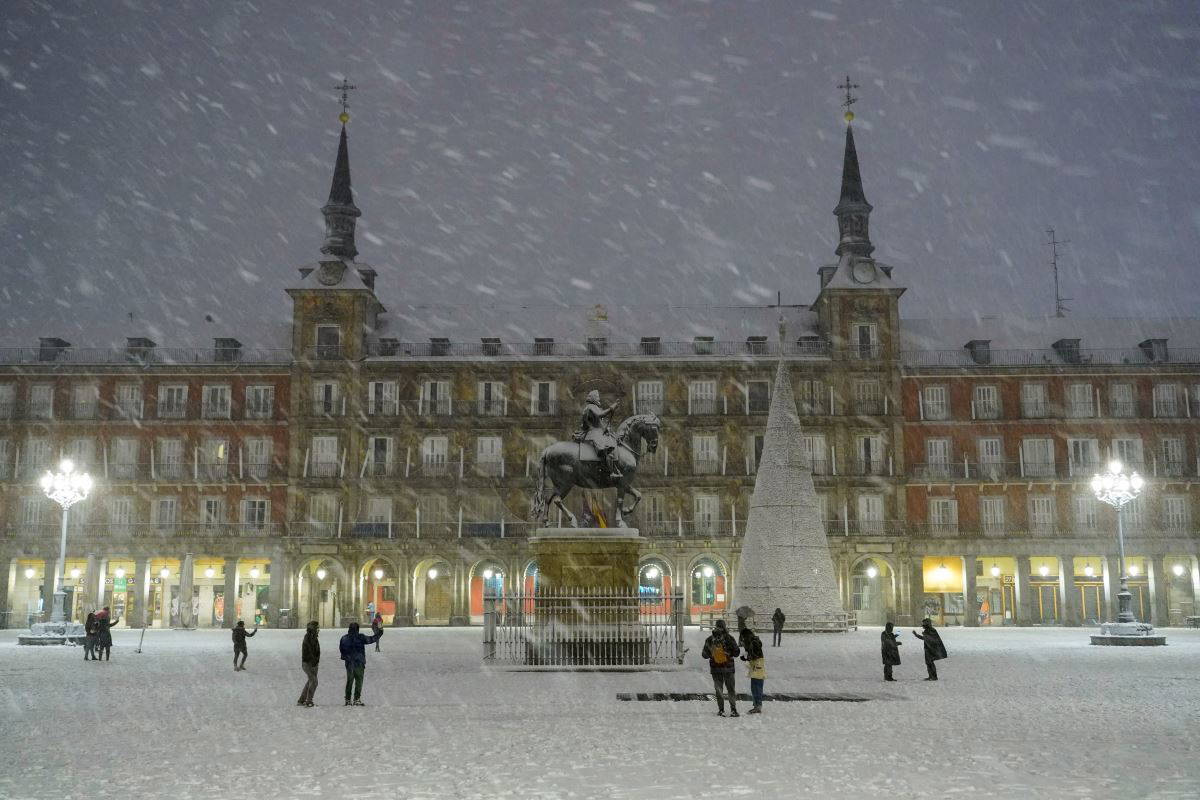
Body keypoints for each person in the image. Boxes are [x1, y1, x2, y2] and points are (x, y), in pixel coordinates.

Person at [576, 389, 622, 479]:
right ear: (593, 398)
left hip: (597, 431)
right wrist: (612, 407)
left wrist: (606, 428)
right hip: (592, 432)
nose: (598, 399)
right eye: (597, 397)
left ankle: (612, 467)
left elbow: (600, 422)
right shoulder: (590, 407)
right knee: (607, 448)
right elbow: (600, 415)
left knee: (613, 441)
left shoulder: (594, 407)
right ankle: (611, 472)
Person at [701, 619, 741, 717]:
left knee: (719, 690)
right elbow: (737, 653)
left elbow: (704, 655)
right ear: (724, 627)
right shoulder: (729, 638)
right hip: (729, 668)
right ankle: (733, 710)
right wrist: (728, 654)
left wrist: (713, 654)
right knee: (731, 689)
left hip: (715, 669)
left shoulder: (710, 639)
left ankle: (721, 710)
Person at [339, 621, 382, 706]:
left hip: (349, 663)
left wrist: (346, 657)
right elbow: (372, 639)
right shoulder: (360, 637)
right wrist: (380, 632)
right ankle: (356, 699)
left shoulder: (344, 638)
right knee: (359, 681)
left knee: (349, 681)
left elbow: (341, 649)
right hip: (359, 663)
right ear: (357, 629)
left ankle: (348, 699)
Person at [739, 626, 767, 714]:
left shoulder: (753, 642)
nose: (742, 639)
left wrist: (747, 657)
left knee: (756, 687)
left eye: (743, 637)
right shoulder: (753, 641)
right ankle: (756, 705)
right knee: (754, 687)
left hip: (757, 666)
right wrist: (746, 657)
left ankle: (757, 706)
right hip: (756, 666)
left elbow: (755, 655)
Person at [297, 621, 320, 707]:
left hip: (314, 664)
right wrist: (313, 660)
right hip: (307, 664)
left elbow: (316, 651)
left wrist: (316, 661)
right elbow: (309, 652)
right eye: (317, 628)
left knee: (310, 681)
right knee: (314, 681)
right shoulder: (308, 638)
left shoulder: (314, 637)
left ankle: (301, 700)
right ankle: (309, 700)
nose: (318, 629)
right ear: (312, 628)